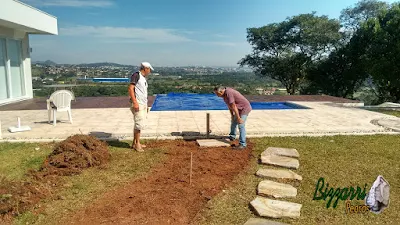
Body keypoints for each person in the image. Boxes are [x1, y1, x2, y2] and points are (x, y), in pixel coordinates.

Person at [128, 62, 154, 152]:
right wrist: (135, 102)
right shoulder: (136, 75)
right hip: (138, 103)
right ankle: (137, 144)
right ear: (145, 68)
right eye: (149, 69)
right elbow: (131, 88)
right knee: (139, 124)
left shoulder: (143, 78)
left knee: (139, 123)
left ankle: (135, 142)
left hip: (143, 103)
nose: (149, 71)